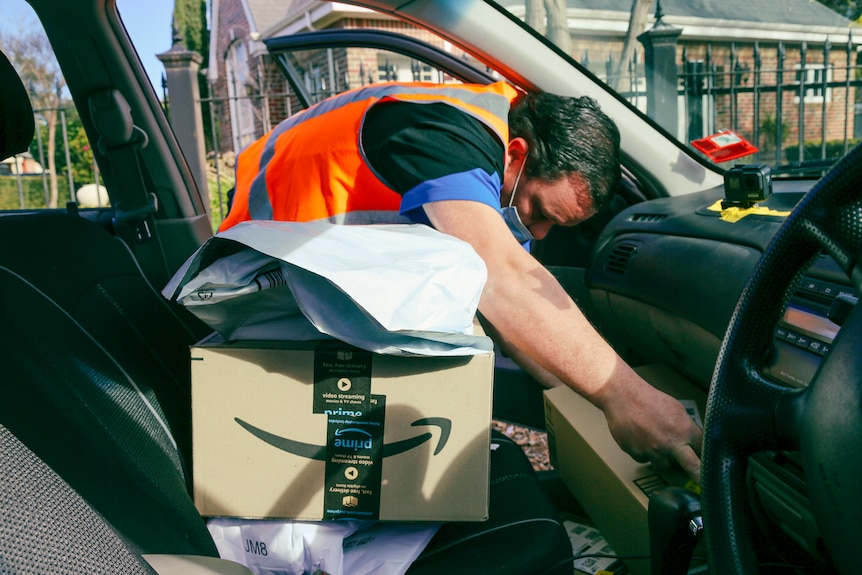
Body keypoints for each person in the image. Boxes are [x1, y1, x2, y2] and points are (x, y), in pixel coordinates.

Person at [221, 80, 703, 482]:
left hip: (313, 293)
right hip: (256, 293)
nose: (538, 233)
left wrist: (578, 394)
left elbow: (508, 313)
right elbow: (502, 279)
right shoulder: (446, 132)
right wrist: (628, 397)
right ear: (516, 154)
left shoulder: (487, 146)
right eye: (537, 211)